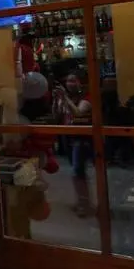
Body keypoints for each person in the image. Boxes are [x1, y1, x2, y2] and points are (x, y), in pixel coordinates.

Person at [53, 72, 93, 217]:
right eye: (68, 81)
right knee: (76, 171)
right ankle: (81, 201)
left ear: (80, 82)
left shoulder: (87, 98)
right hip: (68, 137)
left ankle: (84, 204)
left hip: (81, 138)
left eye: (73, 81)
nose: (70, 84)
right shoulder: (67, 99)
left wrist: (65, 97)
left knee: (78, 170)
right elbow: (57, 116)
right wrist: (56, 101)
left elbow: (78, 113)